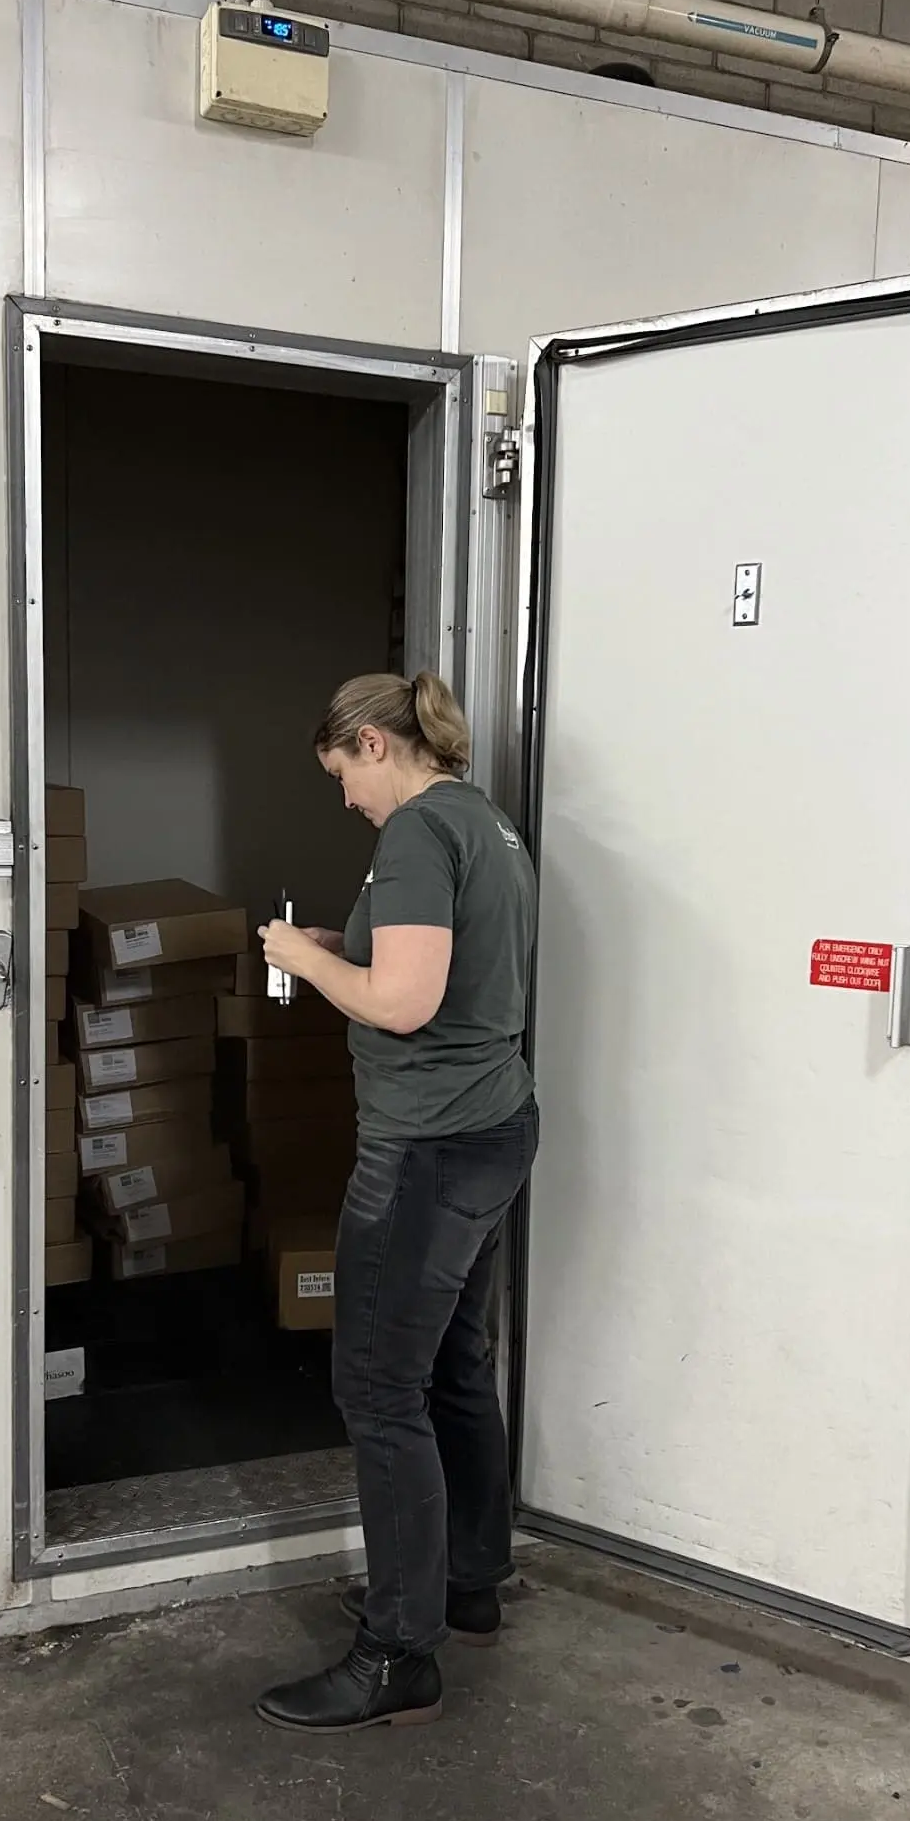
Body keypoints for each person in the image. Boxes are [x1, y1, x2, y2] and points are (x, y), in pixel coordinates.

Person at [253, 671, 539, 1733]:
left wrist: (294, 956)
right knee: (453, 1365)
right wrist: (344, 949)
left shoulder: (417, 834)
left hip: (426, 1150)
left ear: (374, 744)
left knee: (379, 1390)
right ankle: (464, 1584)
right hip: (491, 1130)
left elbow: (405, 1004)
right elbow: (435, 974)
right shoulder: (486, 828)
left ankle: (394, 1652)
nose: (344, 801)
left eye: (341, 776)